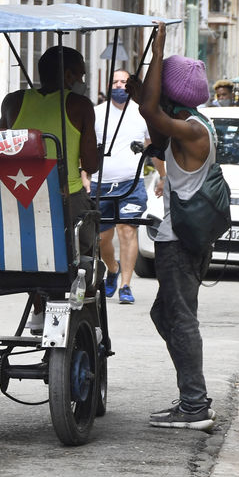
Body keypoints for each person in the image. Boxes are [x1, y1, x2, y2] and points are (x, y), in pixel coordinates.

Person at [129, 22, 216, 431]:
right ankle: (192, 395)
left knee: (179, 318)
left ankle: (195, 405)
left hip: (179, 241)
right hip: (180, 237)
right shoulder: (192, 123)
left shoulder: (193, 129)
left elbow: (151, 113)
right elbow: (156, 128)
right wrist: (143, 95)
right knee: (165, 314)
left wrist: (158, 50)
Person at [1, 45, 99, 333]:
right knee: (87, 251)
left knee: (32, 248)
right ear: (68, 75)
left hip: (20, 197)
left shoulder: (13, 102)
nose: (81, 81)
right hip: (67, 198)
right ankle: (88, 316)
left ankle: (39, 310)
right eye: (80, 75)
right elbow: (90, 164)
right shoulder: (80, 105)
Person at [87, 69, 164, 305]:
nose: (119, 85)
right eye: (115, 82)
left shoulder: (142, 113)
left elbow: (153, 147)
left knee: (127, 231)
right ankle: (113, 268)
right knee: (102, 238)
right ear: (108, 85)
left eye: (124, 82)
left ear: (131, 86)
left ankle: (126, 285)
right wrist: (84, 177)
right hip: (101, 184)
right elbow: (86, 148)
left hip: (132, 182)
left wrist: (163, 176)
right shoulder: (97, 113)